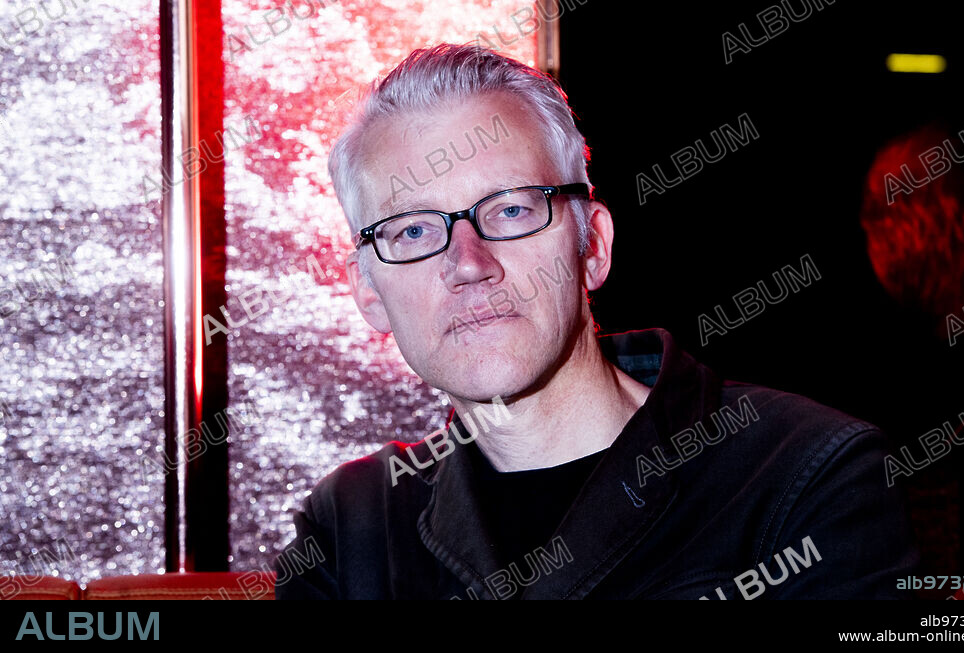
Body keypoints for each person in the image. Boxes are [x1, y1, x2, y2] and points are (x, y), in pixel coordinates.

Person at [274, 43, 918, 599]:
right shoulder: (353, 527)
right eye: (413, 229)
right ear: (368, 293)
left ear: (593, 247)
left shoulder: (803, 478)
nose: (468, 264)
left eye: (510, 212)